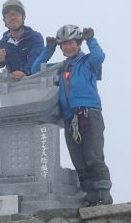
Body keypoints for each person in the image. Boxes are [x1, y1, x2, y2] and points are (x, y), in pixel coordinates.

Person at [30, 25, 113, 206]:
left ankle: (103, 193)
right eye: (64, 44)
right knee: (79, 159)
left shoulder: (88, 61)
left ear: (79, 43)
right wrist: (48, 49)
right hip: (69, 118)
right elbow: (36, 70)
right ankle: (89, 194)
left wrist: (91, 39)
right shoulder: (61, 67)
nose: (68, 47)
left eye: (72, 43)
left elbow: (100, 57)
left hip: (89, 113)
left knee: (94, 156)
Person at [0, 0, 44, 79]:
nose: (12, 18)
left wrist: (24, 71)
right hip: (14, 86)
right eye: (9, 15)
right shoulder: (3, 43)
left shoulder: (35, 37)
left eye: (16, 14)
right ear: (4, 20)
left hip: (36, 82)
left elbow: (36, 57)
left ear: (23, 17)